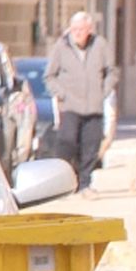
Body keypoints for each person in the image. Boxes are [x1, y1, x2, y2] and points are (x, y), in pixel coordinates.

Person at [44, 11, 118, 195]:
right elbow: (49, 76)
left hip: (94, 105)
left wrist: (105, 89)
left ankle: (85, 184)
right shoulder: (61, 47)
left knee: (91, 146)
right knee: (67, 142)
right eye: (74, 29)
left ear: (89, 30)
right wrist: (62, 94)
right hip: (70, 106)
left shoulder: (100, 45)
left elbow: (112, 71)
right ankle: (65, 180)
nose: (77, 33)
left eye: (81, 29)